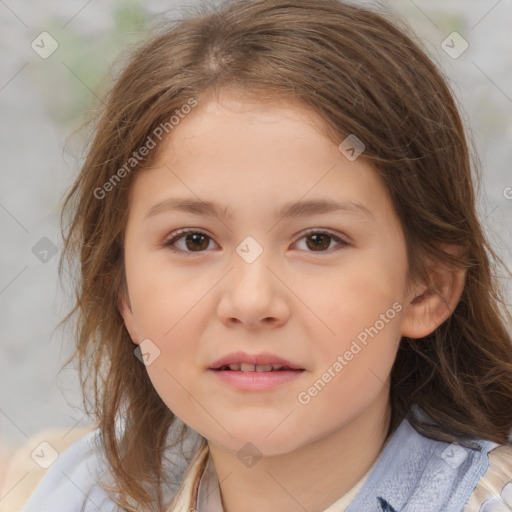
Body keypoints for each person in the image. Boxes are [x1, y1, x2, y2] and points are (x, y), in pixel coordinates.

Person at [20, 0, 512, 511]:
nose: (251, 301)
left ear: (428, 285)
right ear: (122, 292)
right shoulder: (83, 490)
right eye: (194, 240)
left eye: (318, 240)